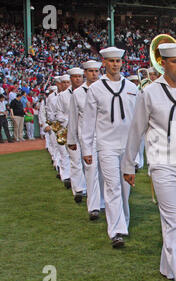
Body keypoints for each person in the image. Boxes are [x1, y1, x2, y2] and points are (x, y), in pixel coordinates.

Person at [122, 43, 176, 281]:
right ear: (163, 63)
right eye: (174, 61)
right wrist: (128, 163)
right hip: (162, 164)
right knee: (174, 220)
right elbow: (136, 129)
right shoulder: (150, 93)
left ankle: (168, 268)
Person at [80, 47, 138, 248]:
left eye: (118, 61)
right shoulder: (96, 88)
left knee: (124, 189)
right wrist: (87, 149)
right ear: (104, 63)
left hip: (127, 146)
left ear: (122, 62)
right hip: (106, 145)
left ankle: (124, 222)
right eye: (111, 61)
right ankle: (116, 231)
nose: (115, 64)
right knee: (112, 186)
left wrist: (137, 153)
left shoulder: (132, 87)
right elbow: (88, 121)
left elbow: (138, 121)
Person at [67, 60, 105, 221]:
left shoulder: (106, 89)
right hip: (87, 138)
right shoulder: (78, 93)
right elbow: (73, 117)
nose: (94, 74)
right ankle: (94, 207)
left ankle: (103, 202)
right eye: (90, 71)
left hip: (105, 136)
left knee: (105, 173)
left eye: (96, 71)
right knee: (90, 171)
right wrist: (72, 139)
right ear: (85, 73)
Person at [56, 68, 87, 203]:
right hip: (70, 131)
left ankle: (86, 187)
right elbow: (59, 114)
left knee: (88, 162)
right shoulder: (62, 96)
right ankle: (78, 189)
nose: (78, 79)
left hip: (86, 132)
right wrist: (70, 122)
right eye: (75, 77)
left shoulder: (88, 92)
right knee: (75, 161)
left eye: (80, 76)